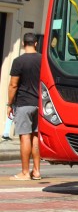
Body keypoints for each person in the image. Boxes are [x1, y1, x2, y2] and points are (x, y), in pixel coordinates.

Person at [8, 33, 42, 181]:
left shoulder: (18, 61)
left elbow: (13, 84)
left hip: (24, 103)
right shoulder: (43, 60)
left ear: (23, 44)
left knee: (25, 137)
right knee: (35, 137)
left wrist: (9, 104)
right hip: (39, 104)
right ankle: (37, 171)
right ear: (35, 43)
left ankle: (25, 172)